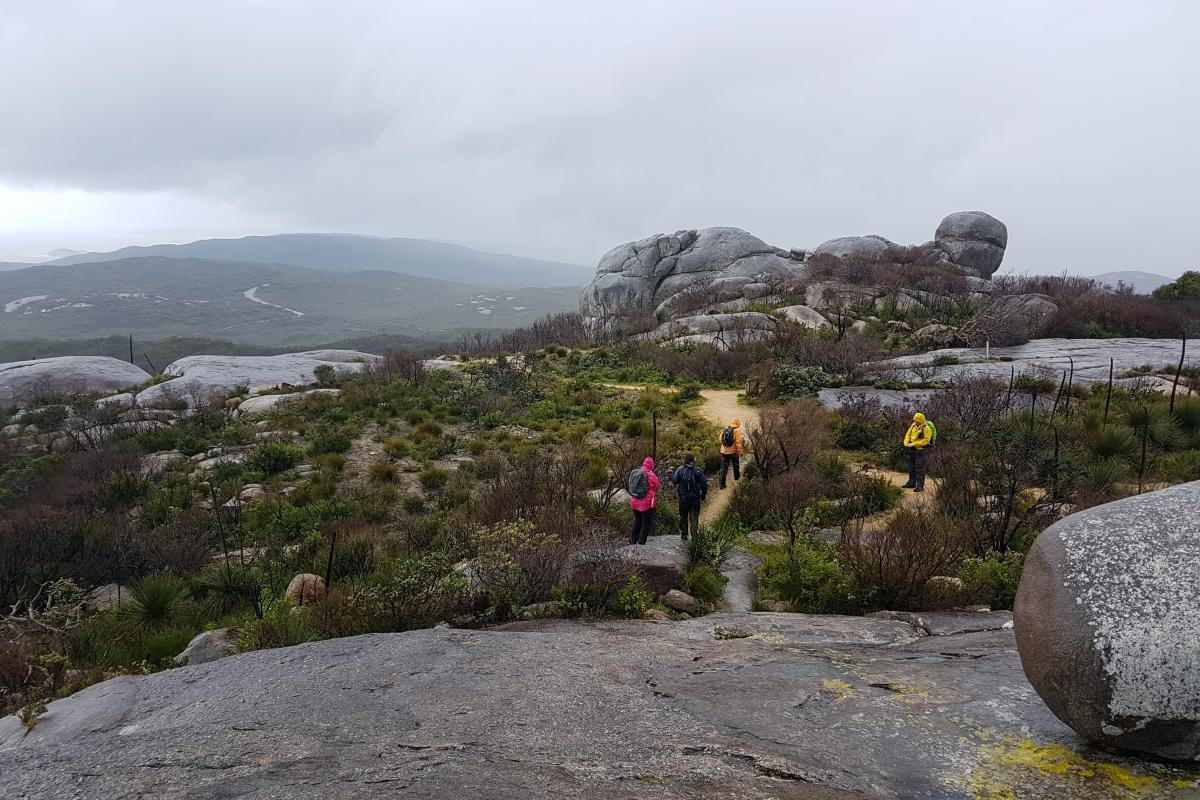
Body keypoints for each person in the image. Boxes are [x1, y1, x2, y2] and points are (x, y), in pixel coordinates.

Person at [670, 453, 708, 540]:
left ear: (685, 460)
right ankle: (694, 535)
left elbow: (674, 481)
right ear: (693, 460)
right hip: (695, 498)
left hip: (683, 498)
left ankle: (684, 534)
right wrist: (703, 495)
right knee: (694, 517)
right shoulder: (698, 470)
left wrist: (672, 476)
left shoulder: (680, 469)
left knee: (683, 516)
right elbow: (704, 485)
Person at [627, 456, 661, 545]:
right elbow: (657, 487)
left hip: (634, 501)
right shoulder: (651, 475)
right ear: (651, 465)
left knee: (637, 520)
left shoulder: (635, 473)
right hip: (646, 503)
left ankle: (632, 540)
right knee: (646, 522)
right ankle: (641, 542)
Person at [902, 411, 934, 492]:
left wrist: (914, 444)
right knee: (911, 467)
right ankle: (911, 483)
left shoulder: (927, 428)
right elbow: (908, 435)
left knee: (919, 468)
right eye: (914, 420)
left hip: (921, 451)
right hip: (912, 450)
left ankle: (919, 486)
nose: (914, 421)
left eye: (916, 420)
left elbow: (926, 441)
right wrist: (906, 443)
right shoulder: (913, 426)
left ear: (920, 420)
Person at [718, 417, 745, 490]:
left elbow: (720, 439)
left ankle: (721, 484)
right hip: (733, 452)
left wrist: (725, 445)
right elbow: (738, 443)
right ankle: (737, 477)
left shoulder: (726, 428)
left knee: (723, 468)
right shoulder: (737, 430)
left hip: (723, 451)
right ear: (738, 423)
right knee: (735, 464)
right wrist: (741, 451)